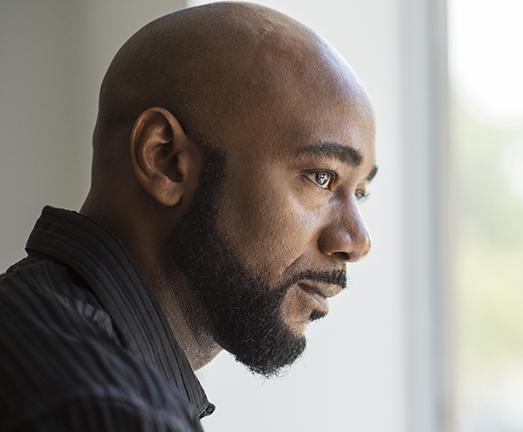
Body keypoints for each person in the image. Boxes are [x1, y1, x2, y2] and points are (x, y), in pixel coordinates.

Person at [0, 2, 376, 430]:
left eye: (360, 193)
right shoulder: (101, 408)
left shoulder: (40, 334)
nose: (357, 241)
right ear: (165, 160)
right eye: (322, 177)